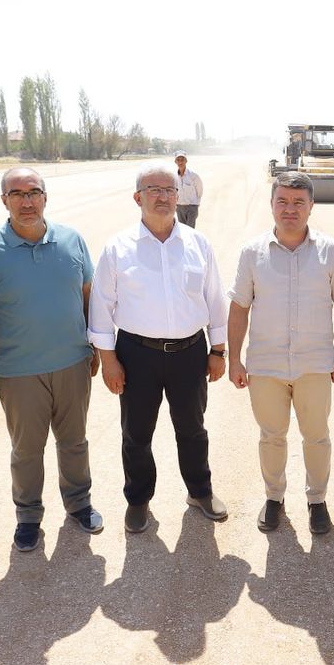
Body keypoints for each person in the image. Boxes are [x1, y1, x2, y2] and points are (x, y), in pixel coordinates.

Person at [0, 167, 103, 553]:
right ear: (4, 200)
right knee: (26, 450)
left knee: (74, 442)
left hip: (72, 363)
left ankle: (79, 504)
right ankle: (28, 516)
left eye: (33, 192)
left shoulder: (72, 239)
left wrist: (94, 346)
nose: (26, 201)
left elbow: (88, 295)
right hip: (18, 371)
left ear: (45, 197)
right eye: (17, 194)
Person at [88, 161, 229, 534]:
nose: (163, 197)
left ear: (178, 196)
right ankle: (138, 500)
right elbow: (101, 308)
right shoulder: (118, 248)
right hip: (137, 355)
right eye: (154, 190)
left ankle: (199, 491)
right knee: (136, 433)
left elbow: (215, 299)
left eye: (169, 190)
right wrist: (109, 361)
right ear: (138, 198)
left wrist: (218, 351)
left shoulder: (198, 244)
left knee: (193, 429)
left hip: (190, 353)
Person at [227, 171, 334, 535]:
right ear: (271, 205)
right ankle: (274, 498)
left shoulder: (330, 251)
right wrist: (234, 359)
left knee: (316, 436)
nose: (290, 209)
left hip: (314, 365)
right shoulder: (252, 253)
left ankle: (317, 501)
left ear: (311, 206)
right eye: (282, 201)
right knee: (271, 436)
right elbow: (239, 308)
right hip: (265, 365)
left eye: (299, 202)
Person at [174, 150, 204, 228]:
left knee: (190, 230)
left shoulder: (193, 176)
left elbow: (199, 191)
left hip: (192, 207)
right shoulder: (174, 177)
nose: (180, 162)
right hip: (179, 207)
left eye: (182, 159)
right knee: (183, 229)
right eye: (178, 160)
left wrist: (195, 205)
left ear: (186, 161)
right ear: (175, 162)